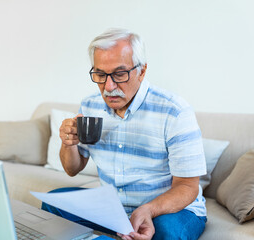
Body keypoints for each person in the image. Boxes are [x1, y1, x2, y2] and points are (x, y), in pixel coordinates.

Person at [42, 28, 207, 240]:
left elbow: (187, 186)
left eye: (119, 74)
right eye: (100, 75)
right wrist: (68, 143)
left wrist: (148, 210)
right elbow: (73, 169)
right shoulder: (90, 105)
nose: (108, 86)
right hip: (113, 208)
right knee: (54, 202)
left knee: (165, 232)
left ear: (142, 70)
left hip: (169, 209)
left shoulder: (174, 111)